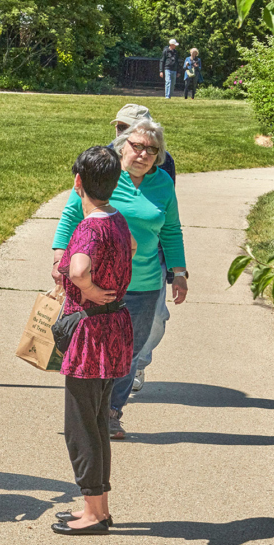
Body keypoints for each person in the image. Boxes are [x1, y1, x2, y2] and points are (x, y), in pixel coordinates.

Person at [52, 120, 187, 440]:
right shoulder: (106, 178)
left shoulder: (163, 185)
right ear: (122, 146)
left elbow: (171, 230)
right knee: (85, 348)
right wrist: (59, 254)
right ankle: (87, 410)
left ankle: (111, 413)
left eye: (152, 150)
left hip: (143, 285)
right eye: (137, 146)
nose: (143, 154)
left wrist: (178, 273)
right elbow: (73, 212)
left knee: (128, 354)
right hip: (97, 281)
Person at [51, 146, 134, 536]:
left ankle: (93, 513)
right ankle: (98, 507)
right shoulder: (117, 220)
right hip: (113, 327)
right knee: (98, 422)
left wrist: (85, 283)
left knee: (80, 426)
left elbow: (81, 266)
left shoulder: (88, 226)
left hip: (89, 334)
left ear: (78, 182)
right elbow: (131, 249)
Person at [107, 104, 177, 394]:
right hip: (106, 263)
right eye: (119, 127)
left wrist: (177, 268)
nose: (119, 133)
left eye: (127, 128)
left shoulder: (162, 163)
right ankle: (105, 399)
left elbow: (165, 214)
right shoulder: (104, 158)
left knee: (155, 320)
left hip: (151, 258)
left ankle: (138, 363)